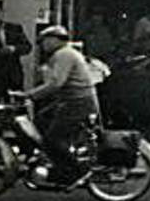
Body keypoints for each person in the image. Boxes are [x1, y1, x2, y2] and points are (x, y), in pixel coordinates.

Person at [23, 24, 102, 186]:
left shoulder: (64, 55)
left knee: (52, 140)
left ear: (54, 40)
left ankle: (71, 172)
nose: (42, 45)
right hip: (73, 101)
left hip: (77, 103)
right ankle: (50, 159)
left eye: (44, 41)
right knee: (40, 119)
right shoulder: (67, 53)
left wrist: (31, 95)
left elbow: (56, 83)